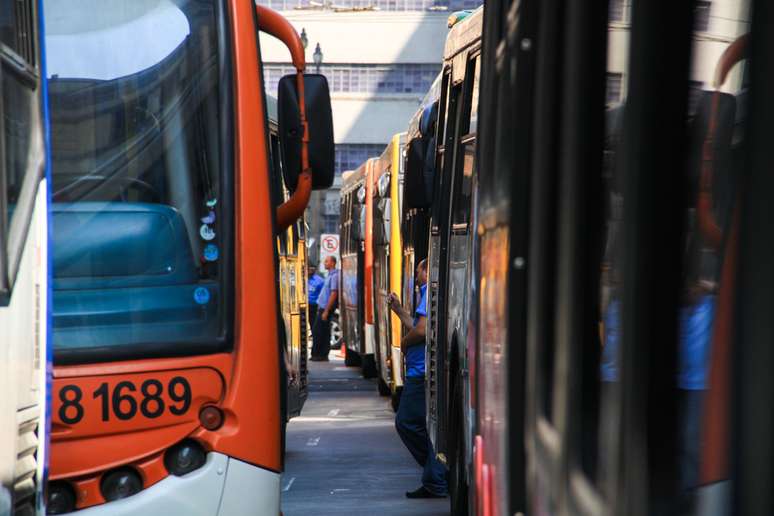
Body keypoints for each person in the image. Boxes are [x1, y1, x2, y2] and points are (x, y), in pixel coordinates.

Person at [387, 259, 448, 499]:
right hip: (420, 371)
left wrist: (403, 343)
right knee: (417, 423)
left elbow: (421, 330)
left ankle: (437, 474)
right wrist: (399, 310)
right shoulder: (426, 292)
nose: (416, 275)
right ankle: (436, 473)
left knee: (407, 422)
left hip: (419, 372)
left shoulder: (427, 289)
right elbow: (417, 323)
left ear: (426, 270)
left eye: (419, 270)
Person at [310, 256, 339, 361]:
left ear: (332, 263)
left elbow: (334, 293)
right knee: (323, 331)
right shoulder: (330, 275)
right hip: (322, 307)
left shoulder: (335, 276)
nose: (324, 263)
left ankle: (320, 354)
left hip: (325, 308)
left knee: (318, 331)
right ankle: (321, 355)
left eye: (326, 261)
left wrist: (326, 311)